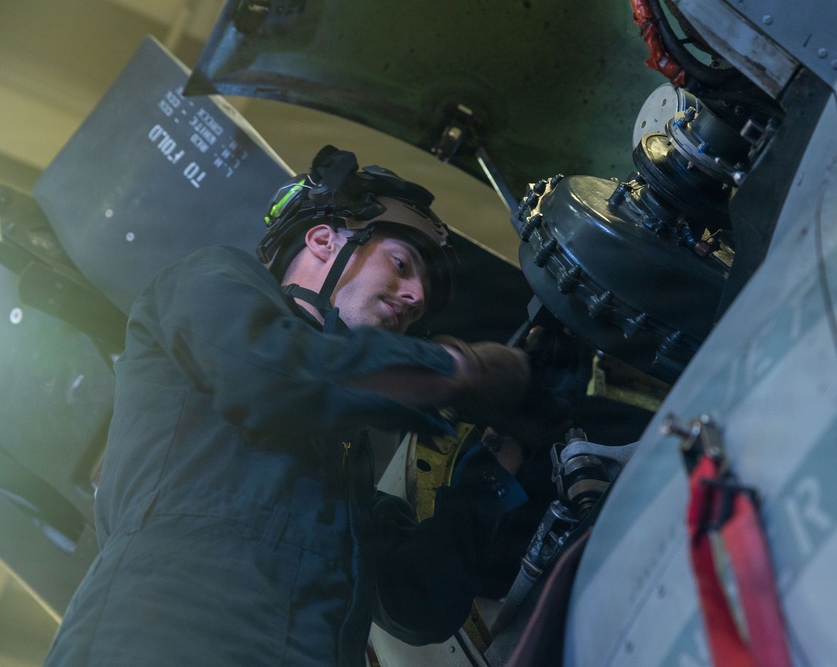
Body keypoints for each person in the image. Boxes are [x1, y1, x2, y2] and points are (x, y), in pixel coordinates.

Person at [43, 146, 550, 666]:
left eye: (421, 298)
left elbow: (418, 604)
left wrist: (496, 465)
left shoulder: (344, 473)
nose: (416, 297)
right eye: (401, 265)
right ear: (323, 240)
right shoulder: (210, 281)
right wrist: (463, 371)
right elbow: (271, 371)